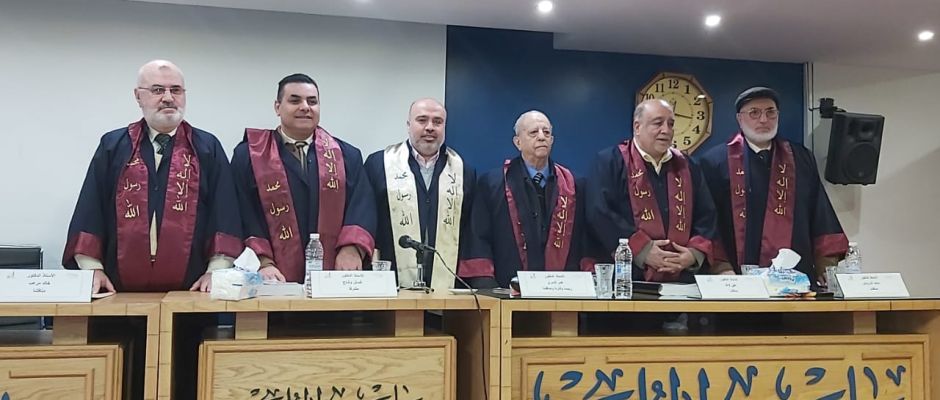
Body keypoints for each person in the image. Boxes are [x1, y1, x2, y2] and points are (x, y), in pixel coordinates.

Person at [63, 59, 242, 293]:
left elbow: (224, 213)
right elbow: (91, 208)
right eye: (158, 90)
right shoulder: (114, 146)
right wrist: (92, 268)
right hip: (119, 292)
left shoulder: (206, 147)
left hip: (191, 291)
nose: (168, 98)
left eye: (176, 90)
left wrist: (216, 271)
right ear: (138, 96)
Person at [232, 73, 375, 281]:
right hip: (270, 278)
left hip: (335, 279)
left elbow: (362, 206)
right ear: (277, 107)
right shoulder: (249, 156)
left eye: (312, 101)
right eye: (295, 100)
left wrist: (352, 248)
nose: (305, 107)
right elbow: (241, 211)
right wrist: (262, 261)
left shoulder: (347, 156)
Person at [699, 87, 848, 283]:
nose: (763, 120)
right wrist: (720, 266)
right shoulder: (716, 162)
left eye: (770, 112)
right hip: (734, 278)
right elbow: (708, 221)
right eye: (754, 113)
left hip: (795, 280)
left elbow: (819, 212)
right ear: (739, 119)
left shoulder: (800, 158)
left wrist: (825, 264)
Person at [585, 99, 719, 282]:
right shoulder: (610, 162)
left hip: (682, 281)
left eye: (670, 124)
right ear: (637, 127)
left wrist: (693, 254)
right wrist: (642, 250)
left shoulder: (688, 166)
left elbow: (707, 215)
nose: (666, 130)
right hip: (628, 280)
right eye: (658, 123)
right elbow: (599, 213)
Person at [461, 110, 586, 288]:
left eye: (546, 132)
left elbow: (584, 239)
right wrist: (487, 285)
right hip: (506, 289)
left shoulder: (574, 185)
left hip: (562, 290)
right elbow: (478, 237)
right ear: (517, 142)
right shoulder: (492, 183)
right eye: (533, 132)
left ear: (552, 140)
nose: (541, 137)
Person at [364, 98, 475, 292]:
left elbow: (469, 229)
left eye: (437, 122)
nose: (430, 127)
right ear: (408, 125)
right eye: (422, 120)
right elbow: (368, 221)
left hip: (446, 281)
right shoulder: (379, 164)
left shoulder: (463, 171)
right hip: (390, 280)